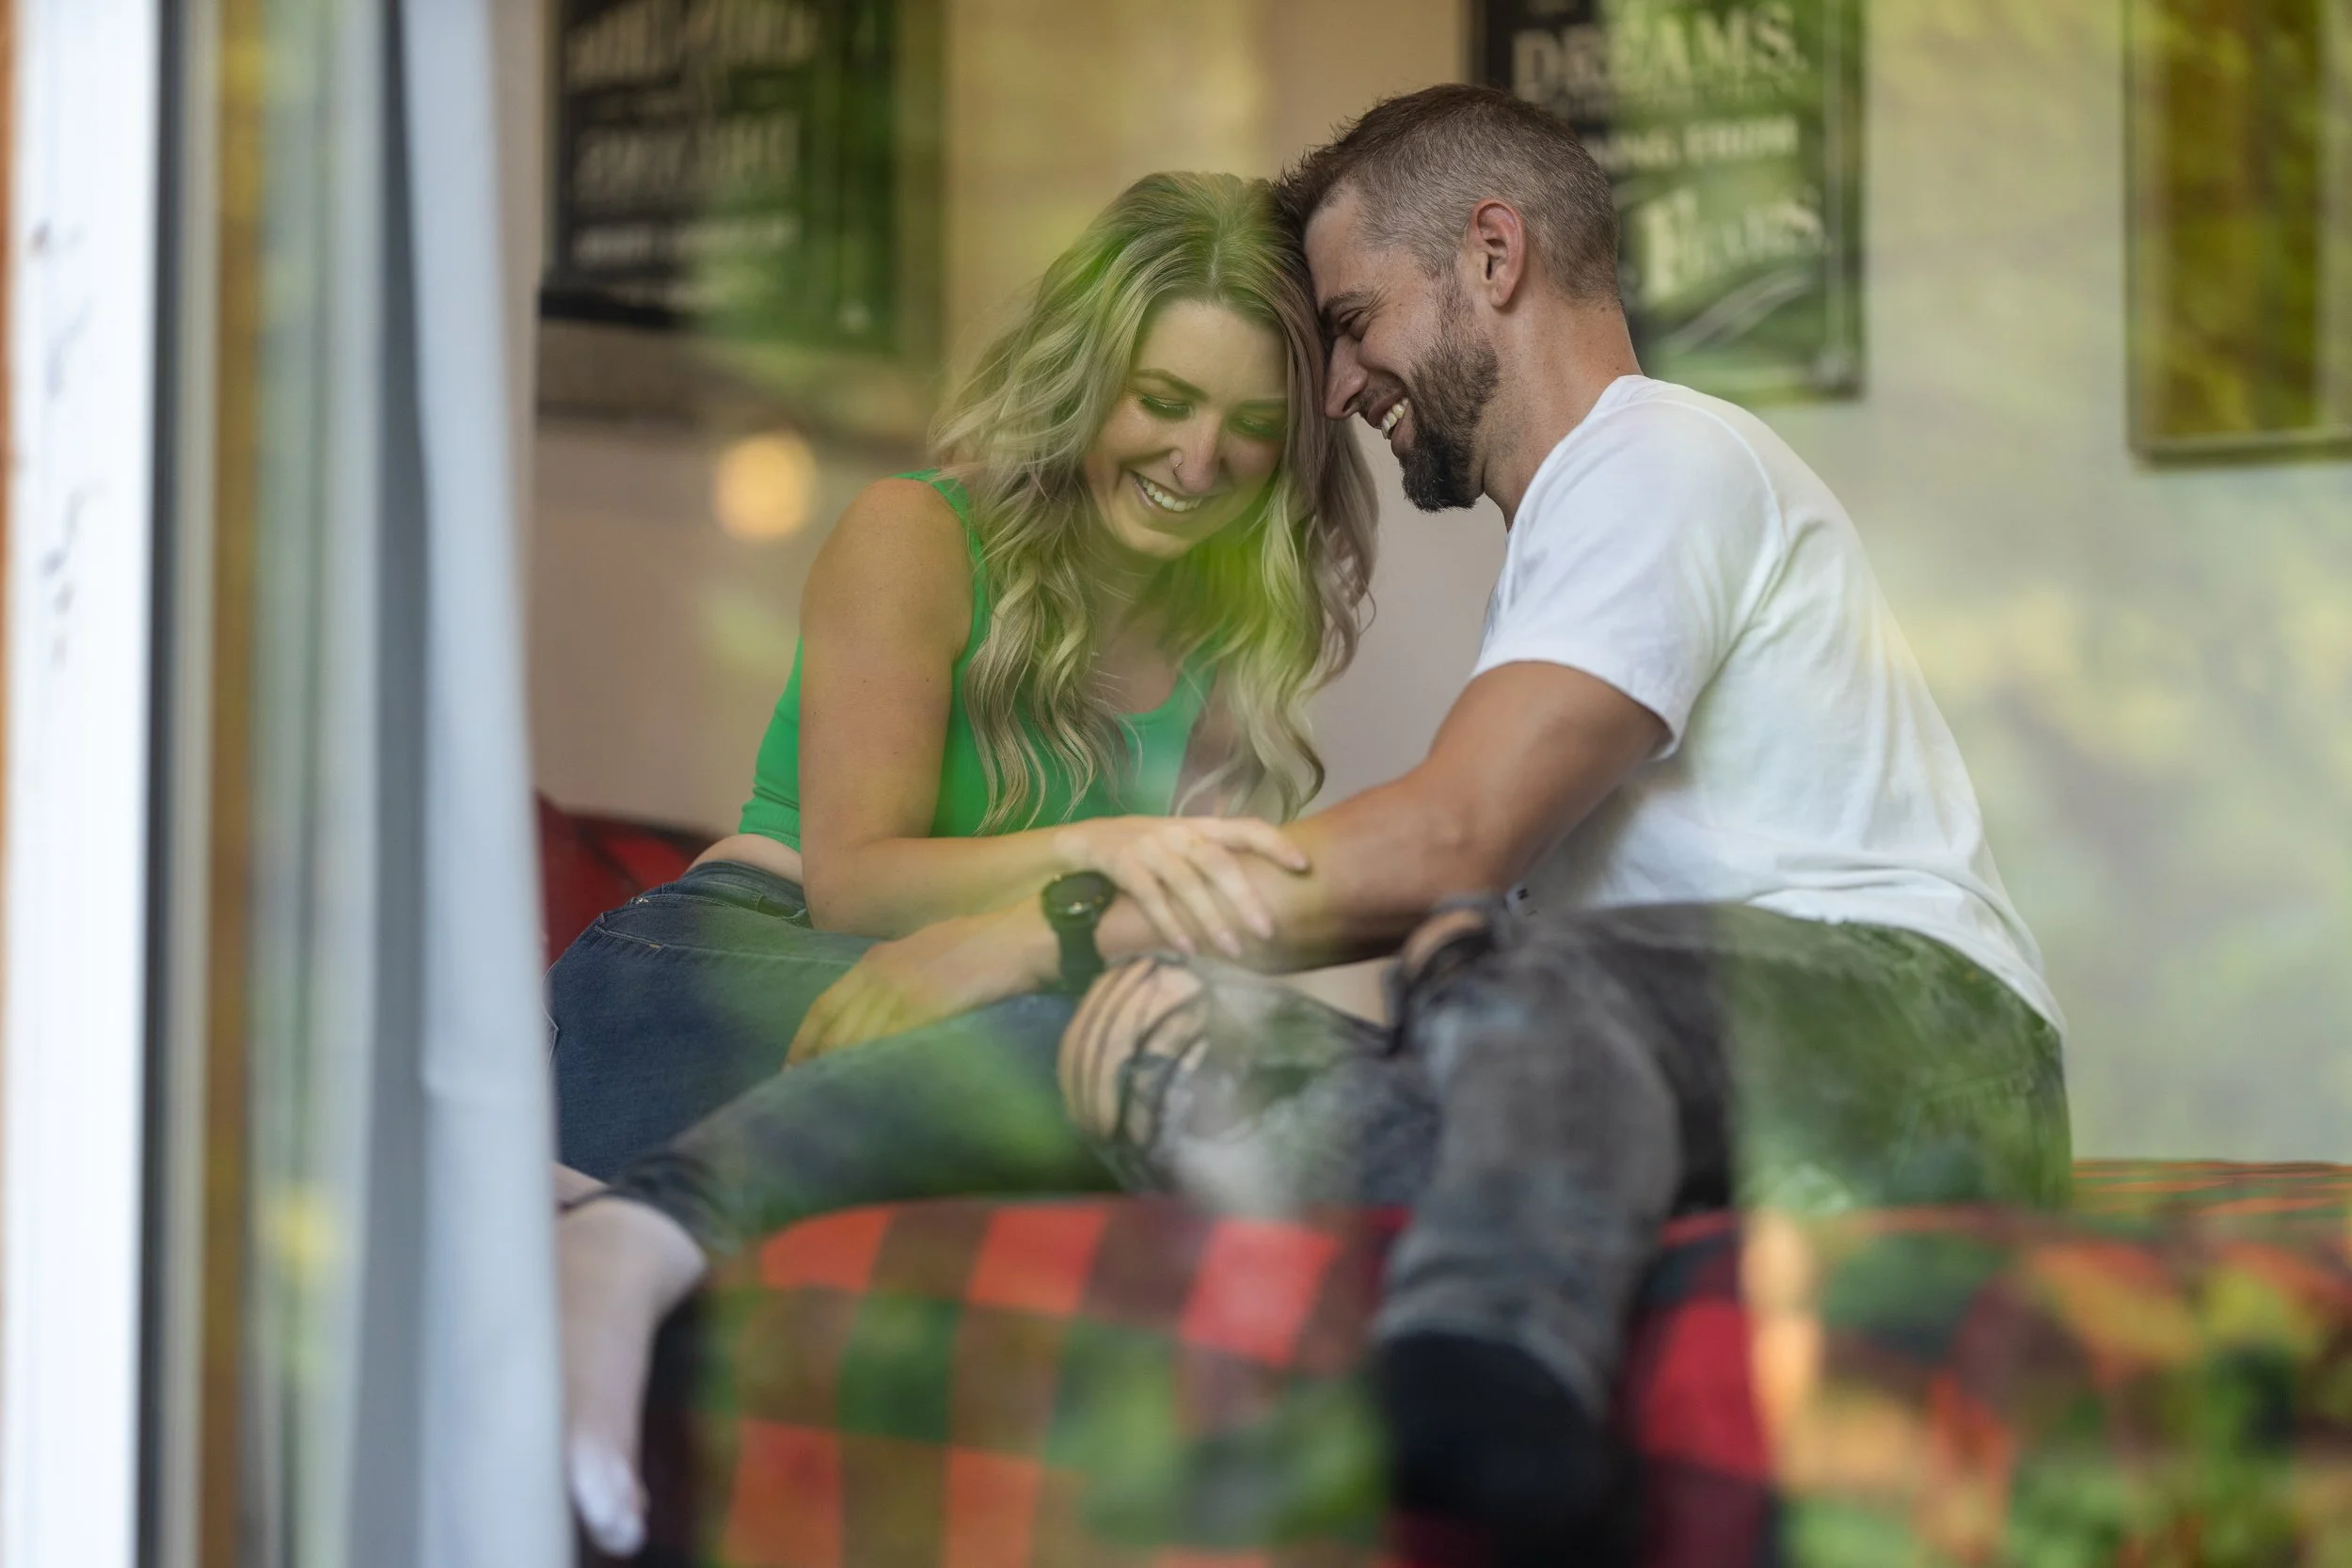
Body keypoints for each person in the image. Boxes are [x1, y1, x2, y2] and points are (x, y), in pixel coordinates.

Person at [560, 87, 2070, 1564]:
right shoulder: (1567, 534)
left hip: (1883, 1025)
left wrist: (1044, 928)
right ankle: (619, 1227)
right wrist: (1146, 997)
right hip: (1665, 1065)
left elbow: (1443, 842)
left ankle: (1480, 1394)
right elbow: (1393, 887)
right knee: (1150, 1046)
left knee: (1485, 981)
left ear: (1493, 255)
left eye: (1349, 324)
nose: (1338, 393)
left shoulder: (1658, 456)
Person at [548, 169, 1377, 1182]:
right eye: (1162, 402)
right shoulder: (918, 534)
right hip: (710, 969)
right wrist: (1106, 849)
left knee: (1226, 1066)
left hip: (975, 1002)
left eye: (1250, 425)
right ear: (1083, 384)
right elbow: (854, 884)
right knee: (1083, 1057)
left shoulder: (1224, 625)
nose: (1199, 462)